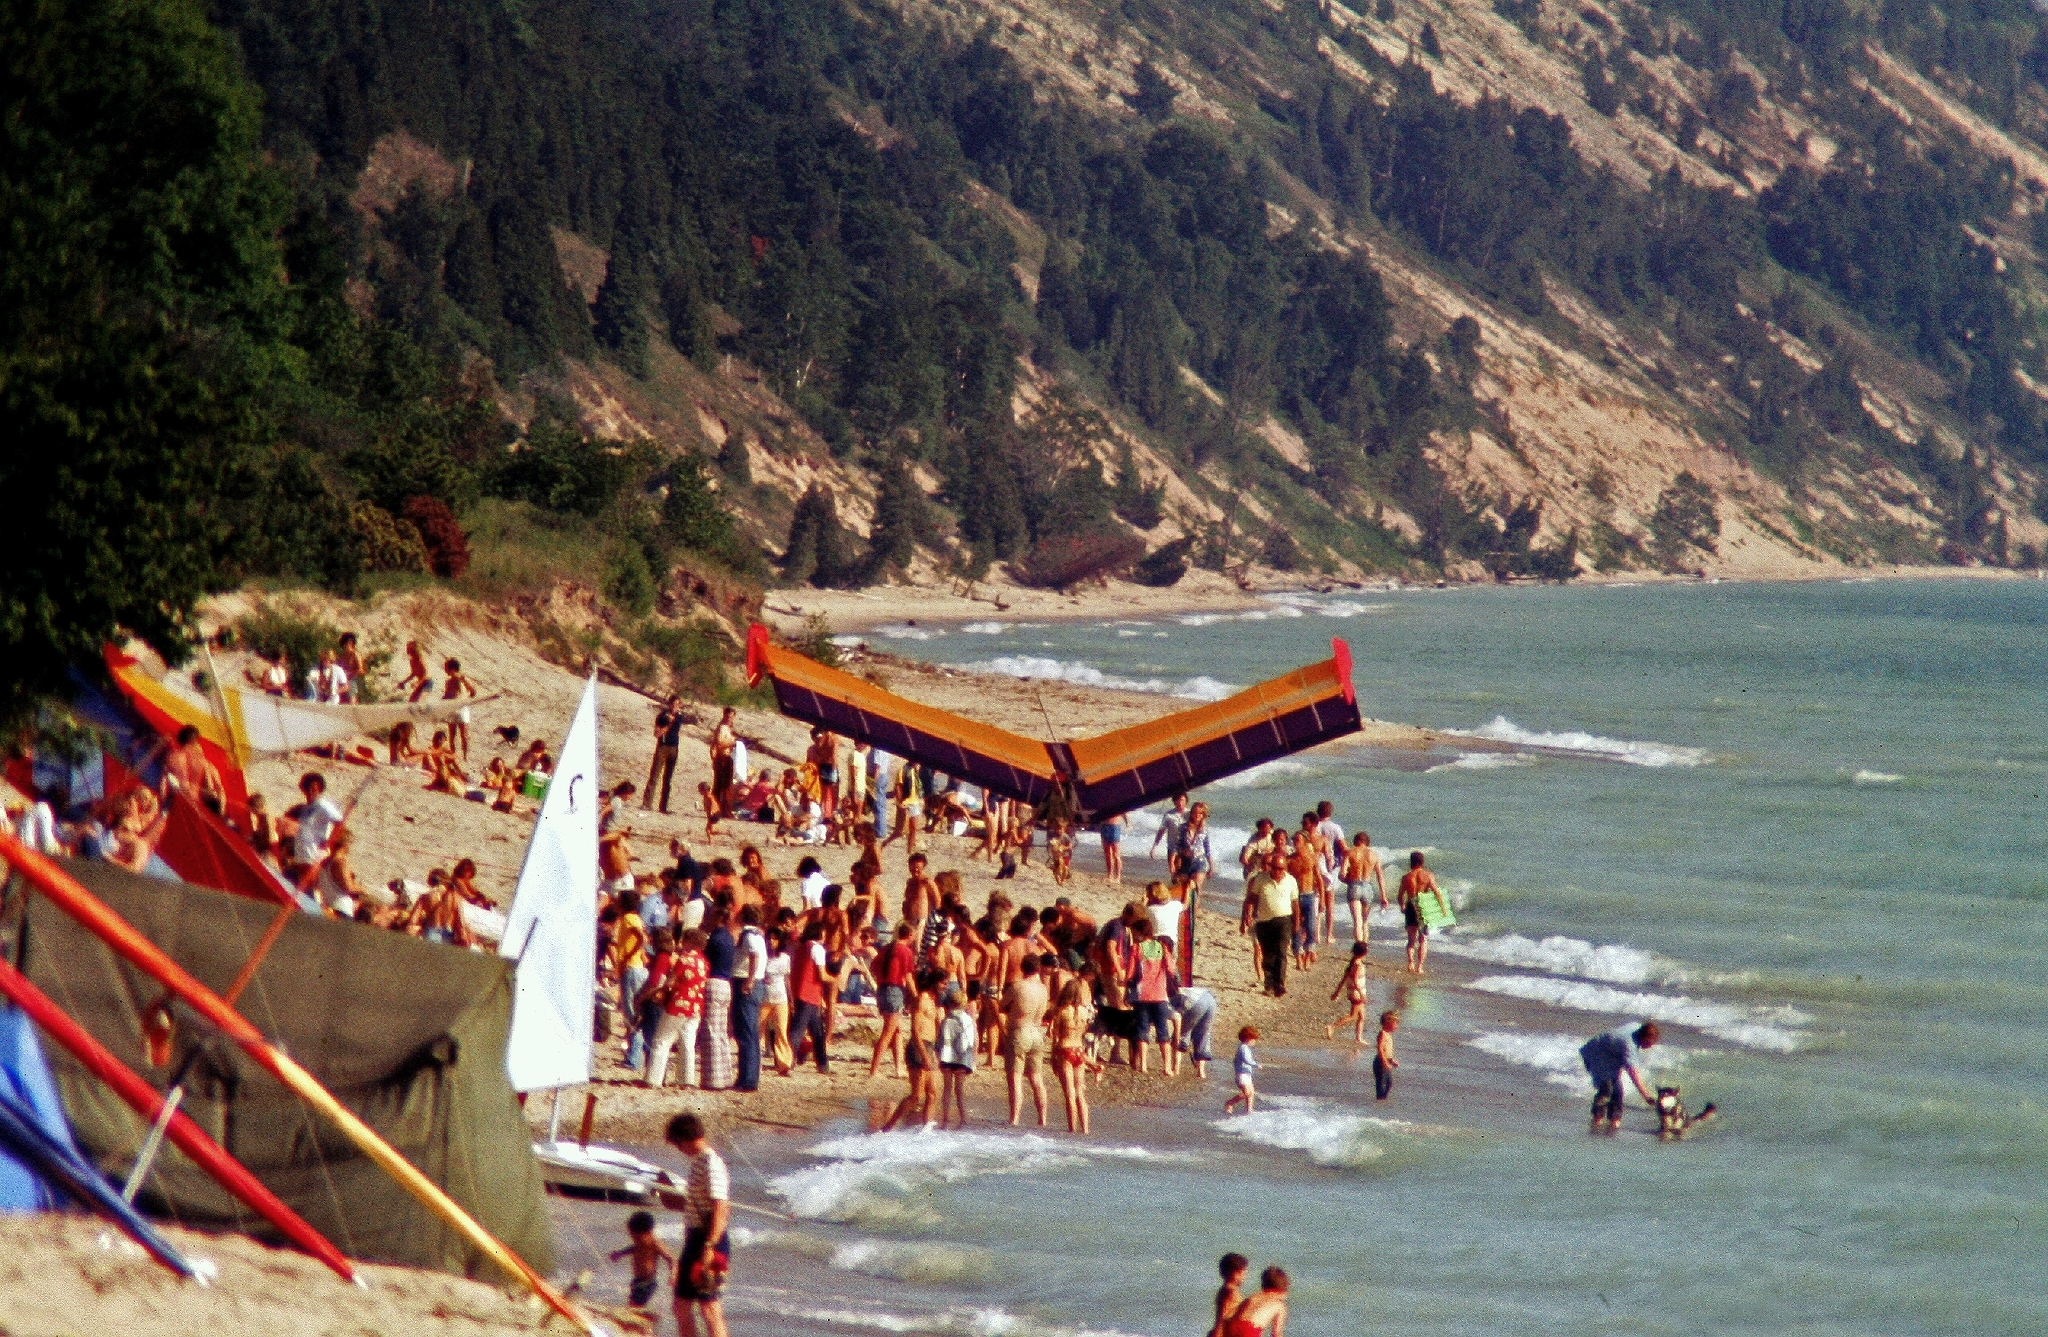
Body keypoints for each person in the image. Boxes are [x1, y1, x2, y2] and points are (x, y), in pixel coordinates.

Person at [665, 1113, 730, 1337]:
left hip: (709, 1239)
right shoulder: (699, 1162)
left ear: (684, 1139)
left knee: (709, 1307)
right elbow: (698, 1204)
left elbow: (721, 1207)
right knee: (681, 1305)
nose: (678, 1149)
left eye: (677, 1144)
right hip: (695, 1238)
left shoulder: (711, 1163)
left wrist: (710, 1246)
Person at [880, 970, 943, 1131]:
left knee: (933, 1093)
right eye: (943, 983)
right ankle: (888, 1126)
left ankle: (926, 1130)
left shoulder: (934, 1001)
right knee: (916, 1096)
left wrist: (935, 1052)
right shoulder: (921, 1000)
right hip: (918, 1047)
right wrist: (924, 1055)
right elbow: (915, 1030)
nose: (945, 987)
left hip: (930, 1046)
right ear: (935, 983)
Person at [645, 930, 708, 1088]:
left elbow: (669, 982)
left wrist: (659, 991)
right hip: (696, 1005)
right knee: (687, 1041)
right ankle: (686, 1079)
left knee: (661, 1040)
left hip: (679, 1003)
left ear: (689, 941)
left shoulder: (684, 960)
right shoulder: (703, 961)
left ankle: (654, 1079)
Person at [1580, 1021, 1661, 1134]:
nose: (1651, 1046)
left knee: (1617, 1092)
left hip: (1608, 1054)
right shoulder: (1629, 1046)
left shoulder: (1637, 1027)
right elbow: (1633, 1074)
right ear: (1643, 1038)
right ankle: (1597, 1122)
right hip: (1595, 1055)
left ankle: (1613, 1122)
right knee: (1607, 1089)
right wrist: (1646, 1096)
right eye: (1649, 1042)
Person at [1241, 850, 1297, 997]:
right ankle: (1269, 984)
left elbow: (1295, 903)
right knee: (1268, 955)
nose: (1278, 871)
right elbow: (1251, 898)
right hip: (1264, 921)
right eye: (1276, 868)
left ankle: (1280, 984)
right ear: (1270, 867)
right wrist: (1248, 914)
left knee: (1281, 952)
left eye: (1281, 868)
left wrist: (1297, 923)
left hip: (1284, 920)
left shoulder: (1291, 881)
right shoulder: (1261, 879)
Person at [1002, 954, 1050, 1127]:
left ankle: (1014, 1118)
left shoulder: (1018, 986)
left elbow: (1003, 1005)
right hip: (1037, 1032)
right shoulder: (1044, 989)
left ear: (1023, 968)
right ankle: (1042, 1118)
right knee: (1037, 1078)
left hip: (1020, 1031)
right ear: (1038, 969)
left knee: (1015, 1078)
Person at [610, 895, 652, 1069]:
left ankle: (634, 1058)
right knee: (636, 1011)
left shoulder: (628, 918)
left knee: (631, 1013)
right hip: (637, 968)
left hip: (632, 967)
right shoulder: (635, 918)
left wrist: (628, 955)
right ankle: (639, 1053)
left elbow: (641, 938)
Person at [869, 922, 916, 1077]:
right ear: (909, 935)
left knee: (897, 1030)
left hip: (882, 989)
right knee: (888, 1032)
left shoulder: (887, 948)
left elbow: (873, 967)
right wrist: (915, 995)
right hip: (894, 990)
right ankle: (874, 1070)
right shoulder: (905, 951)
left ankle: (898, 1067)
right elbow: (908, 976)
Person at [1050, 978, 1096, 1133]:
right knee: (1080, 1093)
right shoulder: (1084, 1012)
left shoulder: (1062, 1011)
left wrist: (1053, 1059)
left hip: (1065, 1050)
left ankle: (1072, 1128)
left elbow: (1056, 1037)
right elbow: (1084, 1031)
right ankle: (1085, 1129)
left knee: (1069, 1092)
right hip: (1079, 1051)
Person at [731, 905, 768, 1091]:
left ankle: (748, 1079)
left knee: (746, 1031)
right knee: (749, 1032)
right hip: (753, 982)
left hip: (746, 982)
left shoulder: (749, 936)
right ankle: (747, 1076)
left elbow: (754, 956)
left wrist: (750, 980)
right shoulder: (758, 935)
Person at [788, 920, 832, 1074]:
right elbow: (822, 975)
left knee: (817, 1030)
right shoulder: (817, 949)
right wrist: (836, 979)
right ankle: (787, 1060)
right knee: (798, 1030)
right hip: (809, 993)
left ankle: (822, 1063)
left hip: (801, 991)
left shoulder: (801, 947)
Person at [610, 1209, 674, 1309]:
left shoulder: (655, 1243)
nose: (635, 1240)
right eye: (633, 1237)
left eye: (637, 1238)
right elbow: (634, 1248)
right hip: (637, 1281)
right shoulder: (639, 1242)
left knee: (634, 1306)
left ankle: (638, 1321)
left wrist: (673, 1274)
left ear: (649, 1232)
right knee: (634, 1305)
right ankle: (640, 1320)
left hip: (647, 1283)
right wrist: (620, 1253)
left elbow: (671, 1258)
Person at [937, 983, 977, 1129]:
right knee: (959, 1090)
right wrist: (973, 1058)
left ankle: (945, 1118)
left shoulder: (946, 1020)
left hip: (947, 1057)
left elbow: (940, 1040)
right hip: (962, 1058)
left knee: (947, 1089)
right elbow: (972, 1041)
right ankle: (963, 1117)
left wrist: (938, 1054)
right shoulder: (967, 1020)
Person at [161, 725, 225, 815]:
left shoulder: (172, 757)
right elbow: (213, 788)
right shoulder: (203, 761)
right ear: (195, 741)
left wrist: (164, 806)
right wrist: (221, 812)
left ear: (180, 741)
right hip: (197, 806)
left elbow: (164, 785)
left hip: (177, 805)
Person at [287, 772, 343, 872]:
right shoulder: (305, 808)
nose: (313, 791)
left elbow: (339, 823)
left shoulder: (323, 805)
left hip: (315, 854)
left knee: (312, 885)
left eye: (315, 788)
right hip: (302, 854)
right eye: (310, 788)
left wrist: (329, 844)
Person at [1398, 850, 1439, 975]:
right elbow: (1436, 892)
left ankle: (1411, 961)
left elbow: (1400, 896)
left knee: (1411, 939)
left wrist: (1402, 906)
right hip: (1423, 907)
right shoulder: (1428, 876)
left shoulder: (1406, 877)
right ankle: (1420, 967)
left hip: (1411, 906)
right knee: (1423, 939)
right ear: (1422, 862)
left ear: (1411, 862)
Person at [1341, 831, 1386, 943]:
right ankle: (1364, 948)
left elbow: (1341, 874)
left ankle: (1358, 950)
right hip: (1368, 887)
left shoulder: (1350, 853)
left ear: (1356, 841)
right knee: (1365, 921)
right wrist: (1383, 896)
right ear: (1367, 842)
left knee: (1357, 921)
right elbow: (1380, 876)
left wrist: (1349, 881)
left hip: (1354, 885)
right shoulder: (1374, 855)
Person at [645, 695, 685, 814]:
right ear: (669, 704)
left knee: (668, 778)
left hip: (673, 747)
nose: (675, 707)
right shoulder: (662, 715)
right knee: (655, 775)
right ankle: (647, 803)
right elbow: (657, 731)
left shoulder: (679, 716)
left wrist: (670, 721)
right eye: (673, 704)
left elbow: (676, 724)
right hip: (662, 746)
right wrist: (666, 725)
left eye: (677, 705)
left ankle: (663, 806)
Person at [1325, 942, 1371, 1043]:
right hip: (1357, 993)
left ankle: (1358, 1037)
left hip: (1352, 991)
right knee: (1353, 1016)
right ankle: (1332, 1027)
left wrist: (1336, 992)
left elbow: (1344, 979)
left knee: (1362, 1016)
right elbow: (1355, 980)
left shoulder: (1352, 963)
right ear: (1364, 953)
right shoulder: (1358, 964)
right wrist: (1362, 994)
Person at [1224, 1266, 1289, 1337]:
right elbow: (1276, 1334)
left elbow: (1234, 1315)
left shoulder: (1253, 1297)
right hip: (1249, 1329)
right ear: (1284, 1290)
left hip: (1232, 1325)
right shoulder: (1279, 1305)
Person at [1174, 982, 1218, 1080]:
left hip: (1194, 1002)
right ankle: (1201, 1072)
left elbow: (1177, 1019)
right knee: (1203, 1035)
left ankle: (1176, 1068)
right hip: (1210, 998)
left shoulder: (1169, 998)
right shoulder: (1182, 990)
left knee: (1181, 1034)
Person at [441, 658, 477, 760]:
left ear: (452, 668)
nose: (445, 670)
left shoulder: (462, 678)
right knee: (453, 735)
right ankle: (454, 756)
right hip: (452, 708)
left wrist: (465, 697)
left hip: (461, 708)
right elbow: (447, 695)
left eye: (446, 668)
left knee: (463, 734)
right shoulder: (448, 682)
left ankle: (465, 757)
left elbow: (473, 691)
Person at [1209, 1253, 1250, 1337]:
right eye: (1242, 1272)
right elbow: (1222, 1317)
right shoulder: (1230, 1291)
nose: (1244, 1276)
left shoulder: (1225, 1289)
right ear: (1235, 1273)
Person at [1223, 1025, 1260, 1114]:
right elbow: (1246, 1060)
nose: (1255, 1042)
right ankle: (1230, 1103)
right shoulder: (1243, 1048)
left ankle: (1249, 1110)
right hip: (1242, 1074)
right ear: (1248, 1038)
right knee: (1247, 1092)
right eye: (1254, 1039)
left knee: (1251, 1092)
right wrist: (1256, 1064)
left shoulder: (1246, 1048)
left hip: (1247, 1073)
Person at [1151, 793, 1189, 875]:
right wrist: (1154, 847)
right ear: (1174, 802)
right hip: (1172, 847)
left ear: (1186, 801)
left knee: (1185, 873)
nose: (1180, 803)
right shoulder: (1169, 815)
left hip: (1186, 848)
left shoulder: (1190, 814)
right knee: (1174, 873)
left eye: (1182, 800)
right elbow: (1161, 831)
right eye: (1177, 800)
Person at [709, 708, 738, 809]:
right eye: (728, 716)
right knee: (722, 785)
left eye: (731, 717)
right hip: (722, 758)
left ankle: (719, 807)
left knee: (724, 785)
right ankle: (718, 807)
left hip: (726, 756)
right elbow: (720, 743)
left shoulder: (729, 728)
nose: (729, 718)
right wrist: (733, 742)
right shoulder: (722, 728)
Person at [1373, 1009, 1400, 1101]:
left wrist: (1391, 1061)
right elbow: (1380, 1048)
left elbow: (1387, 1051)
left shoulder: (1389, 1034)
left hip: (1387, 1060)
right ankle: (1380, 1099)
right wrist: (1384, 1062)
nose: (1397, 1026)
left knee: (1389, 1083)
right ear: (1387, 1023)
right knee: (1381, 1083)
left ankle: (1382, 1099)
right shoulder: (1383, 1034)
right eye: (1395, 1023)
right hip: (1380, 1062)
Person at [335, 632, 367, 704]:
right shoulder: (342, 656)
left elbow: (361, 670)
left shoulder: (355, 654)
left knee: (351, 695)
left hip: (354, 679)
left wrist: (349, 673)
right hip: (343, 680)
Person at [1098, 811, 1125, 883]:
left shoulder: (1117, 801)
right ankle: (1109, 875)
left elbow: (1124, 811)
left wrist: (1127, 822)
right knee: (1107, 853)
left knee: (1116, 853)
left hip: (1114, 826)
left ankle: (1118, 877)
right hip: (1104, 826)